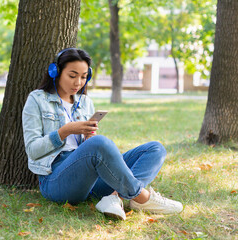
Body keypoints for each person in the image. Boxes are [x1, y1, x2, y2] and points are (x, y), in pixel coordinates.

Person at [22, 48, 183, 220]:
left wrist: (87, 140)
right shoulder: (37, 99)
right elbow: (33, 150)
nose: (78, 82)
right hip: (56, 180)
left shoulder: (85, 102)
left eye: (84, 77)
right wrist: (66, 130)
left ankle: (115, 198)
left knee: (155, 149)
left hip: (90, 178)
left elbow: (89, 150)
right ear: (56, 72)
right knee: (99, 143)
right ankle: (141, 197)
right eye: (72, 75)